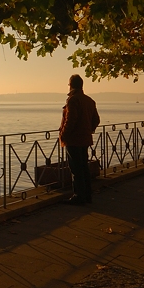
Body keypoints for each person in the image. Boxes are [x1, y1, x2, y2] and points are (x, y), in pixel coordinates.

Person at [59, 74, 101, 205]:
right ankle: (87, 195)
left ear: (71, 85)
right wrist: (89, 130)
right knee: (84, 168)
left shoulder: (73, 100)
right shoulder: (89, 100)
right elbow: (96, 120)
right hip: (85, 139)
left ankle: (79, 197)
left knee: (76, 169)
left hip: (74, 140)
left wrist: (64, 135)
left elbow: (71, 120)